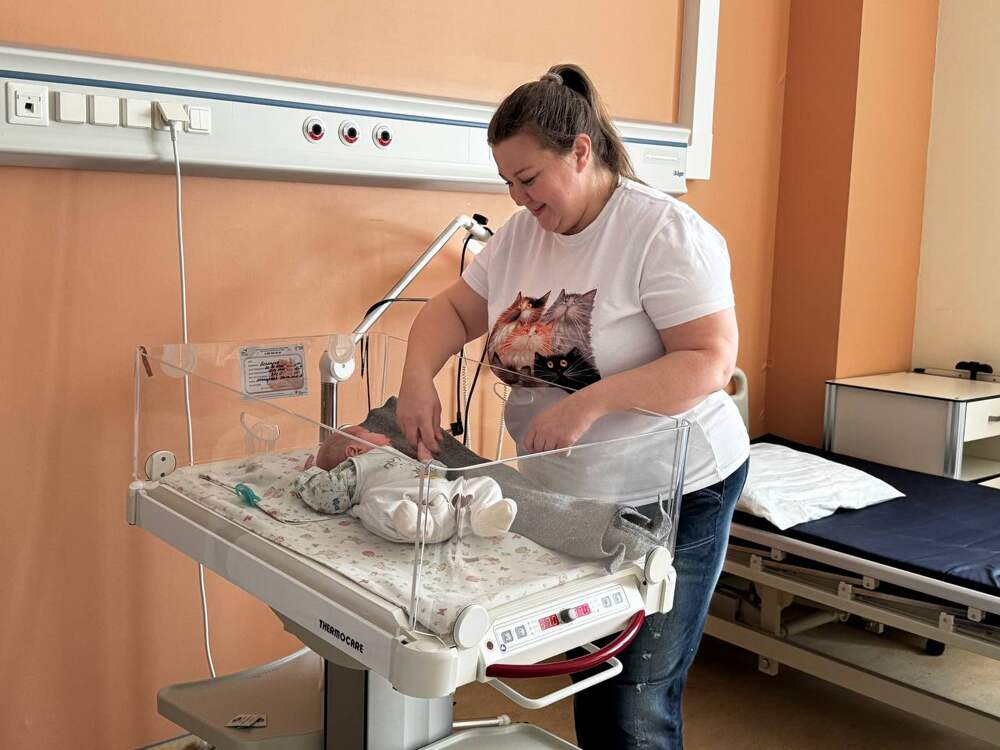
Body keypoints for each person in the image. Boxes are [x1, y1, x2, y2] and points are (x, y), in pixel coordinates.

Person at [395, 63, 750, 749]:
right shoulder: (520, 236)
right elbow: (451, 310)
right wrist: (417, 378)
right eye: (506, 182)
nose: (518, 197)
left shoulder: (661, 233)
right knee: (593, 675)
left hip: (675, 488)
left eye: (528, 178)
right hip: (577, 493)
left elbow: (710, 359)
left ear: (580, 152)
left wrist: (588, 404)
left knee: (634, 699)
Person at [293, 425, 517, 543]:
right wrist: (311, 474)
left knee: (486, 484)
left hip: (447, 496)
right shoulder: (355, 467)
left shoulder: (395, 455)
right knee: (377, 508)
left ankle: (482, 518)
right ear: (355, 450)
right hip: (406, 503)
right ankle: (415, 526)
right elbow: (328, 493)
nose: (381, 433)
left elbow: (438, 474)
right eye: (370, 432)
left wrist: (426, 459)